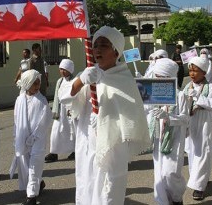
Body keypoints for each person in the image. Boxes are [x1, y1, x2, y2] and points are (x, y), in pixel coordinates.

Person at [59, 26, 150, 204]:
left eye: (104, 45)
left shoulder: (124, 79)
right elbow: (64, 97)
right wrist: (81, 81)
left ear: (116, 52)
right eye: (96, 45)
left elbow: (130, 115)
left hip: (111, 147)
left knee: (108, 190)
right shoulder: (87, 75)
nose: (98, 49)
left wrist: (105, 118)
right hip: (87, 143)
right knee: (87, 184)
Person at [145, 58, 189, 205]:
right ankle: (163, 202)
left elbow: (185, 119)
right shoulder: (152, 92)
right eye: (156, 77)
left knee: (170, 173)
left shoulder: (180, 95)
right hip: (158, 136)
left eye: (162, 77)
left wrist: (168, 117)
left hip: (174, 138)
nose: (158, 80)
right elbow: (144, 110)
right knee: (159, 174)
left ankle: (177, 197)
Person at [10, 70, 52, 205]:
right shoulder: (19, 99)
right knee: (26, 166)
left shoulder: (41, 100)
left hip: (37, 140)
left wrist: (34, 137)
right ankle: (39, 183)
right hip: (23, 139)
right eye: (34, 83)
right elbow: (16, 119)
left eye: (39, 82)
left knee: (35, 165)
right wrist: (16, 136)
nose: (37, 85)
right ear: (27, 83)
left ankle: (31, 197)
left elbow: (44, 121)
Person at [183, 57, 212, 201]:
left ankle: (199, 187)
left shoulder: (211, 87)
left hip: (203, 123)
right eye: (190, 70)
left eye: (195, 71)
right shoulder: (186, 87)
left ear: (204, 72)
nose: (192, 74)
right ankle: (199, 178)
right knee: (191, 152)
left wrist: (198, 97)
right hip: (190, 123)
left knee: (203, 152)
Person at [45, 59, 76, 163]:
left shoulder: (75, 80)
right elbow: (56, 97)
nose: (62, 71)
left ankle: (74, 150)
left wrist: (71, 108)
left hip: (69, 111)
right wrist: (55, 110)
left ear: (70, 70)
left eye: (64, 69)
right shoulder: (60, 81)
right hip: (60, 111)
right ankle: (53, 152)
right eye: (61, 69)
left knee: (72, 131)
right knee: (56, 130)